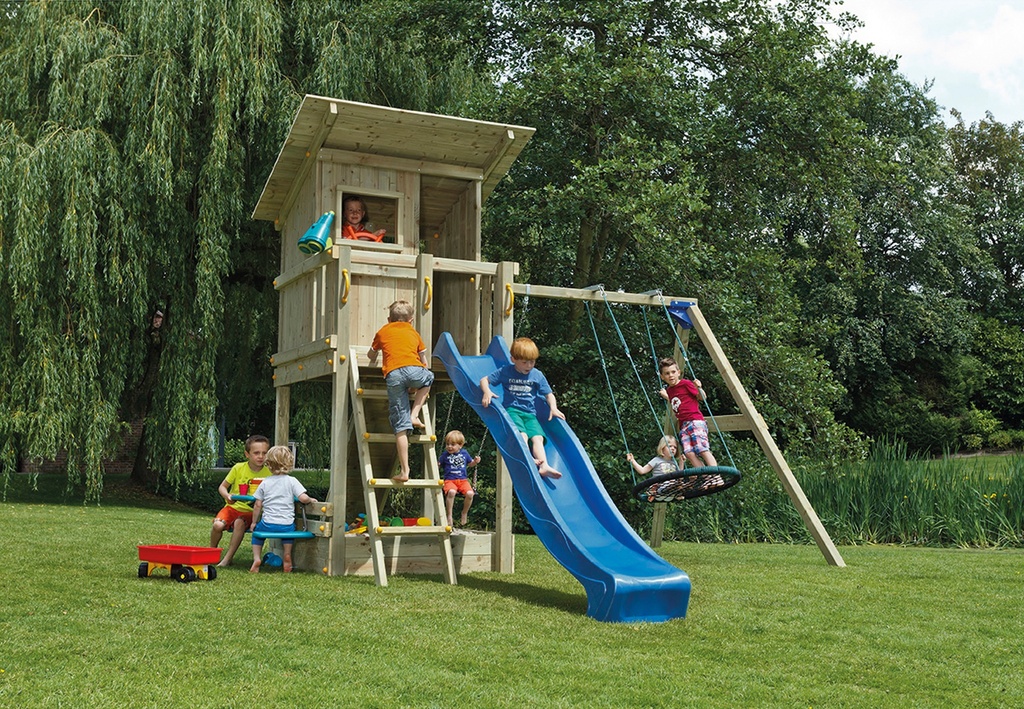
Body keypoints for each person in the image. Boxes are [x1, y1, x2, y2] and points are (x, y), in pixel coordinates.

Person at [368, 300, 435, 481]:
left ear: (389, 319)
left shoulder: (383, 331)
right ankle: (415, 414)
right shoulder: (414, 332)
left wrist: (377, 354)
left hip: (394, 374)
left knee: (400, 427)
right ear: (411, 320)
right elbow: (425, 362)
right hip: (414, 369)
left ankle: (405, 471)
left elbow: (371, 354)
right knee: (428, 378)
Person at [480, 337, 564, 479]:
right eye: (524, 362)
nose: (529, 366)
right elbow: (484, 380)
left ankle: (544, 466)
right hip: (512, 411)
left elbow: (548, 394)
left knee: (537, 437)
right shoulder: (506, 371)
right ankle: (528, 458)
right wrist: (487, 392)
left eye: (532, 362)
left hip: (530, 414)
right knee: (523, 435)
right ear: (513, 359)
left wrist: (553, 408)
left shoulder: (537, 375)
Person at [249, 445, 318, 574]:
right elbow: (303, 498)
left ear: (268, 464)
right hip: (286, 524)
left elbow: (258, 504)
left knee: (257, 534)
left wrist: (254, 523)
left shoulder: (265, 482)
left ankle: (257, 559)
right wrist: (310, 500)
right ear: (289, 463)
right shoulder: (292, 481)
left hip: (267, 524)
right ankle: (287, 555)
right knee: (288, 534)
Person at [211, 434, 269, 567]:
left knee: (239, 523)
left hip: (251, 511)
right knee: (217, 525)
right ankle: (211, 551)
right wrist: (227, 496)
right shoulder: (238, 468)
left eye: (264, 453)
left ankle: (227, 559)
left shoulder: (269, 473)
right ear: (247, 454)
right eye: (256, 453)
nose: (261, 456)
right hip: (232, 508)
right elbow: (222, 487)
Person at [658, 357, 718, 468]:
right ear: (662, 377)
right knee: (689, 453)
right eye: (667, 373)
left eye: (673, 372)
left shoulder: (686, 384)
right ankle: (706, 476)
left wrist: (699, 387)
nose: (670, 375)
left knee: (701, 448)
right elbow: (676, 401)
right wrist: (665, 396)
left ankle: (716, 474)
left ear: (678, 372)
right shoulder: (670, 391)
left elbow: (702, 397)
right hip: (683, 426)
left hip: (695, 421)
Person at [439, 430, 480, 527]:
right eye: (447, 444)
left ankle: (464, 513)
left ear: (460, 445)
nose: (449, 446)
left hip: (463, 481)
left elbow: (470, 464)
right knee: (451, 492)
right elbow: (438, 464)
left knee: (470, 494)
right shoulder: (445, 455)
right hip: (450, 481)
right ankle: (449, 516)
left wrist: (475, 461)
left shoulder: (464, 453)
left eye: (452, 444)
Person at [627, 435, 683, 502]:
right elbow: (642, 471)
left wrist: (681, 462)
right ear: (662, 448)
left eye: (675, 447)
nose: (673, 449)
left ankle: (676, 493)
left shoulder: (674, 462)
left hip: (670, 495)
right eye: (669, 446)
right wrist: (632, 461)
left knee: (680, 483)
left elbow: (680, 477)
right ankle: (654, 493)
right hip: (659, 490)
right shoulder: (657, 460)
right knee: (671, 483)